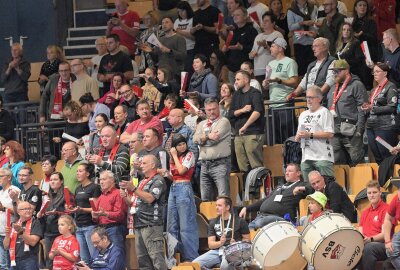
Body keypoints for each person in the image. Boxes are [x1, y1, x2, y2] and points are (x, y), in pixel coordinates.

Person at [120, 154, 168, 269]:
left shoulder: (158, 180)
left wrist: (134, 189)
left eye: (144, 163)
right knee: (143, 261)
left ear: (153, 165)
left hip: (151, 224)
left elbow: (150, 198)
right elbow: (134, 203)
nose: (141, 165)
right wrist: (125, 197)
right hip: (139, 224)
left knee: (157, 260)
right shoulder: (142, 181)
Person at [163, 135, 199, 261]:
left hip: (185, 188)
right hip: (173, 188)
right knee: (171, 225)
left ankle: (191, 258)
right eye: (179, 145)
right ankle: (173, 257)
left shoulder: (189, 155)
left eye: (183, 143)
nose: (182, 146)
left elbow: (182, 171)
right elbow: (174, 176)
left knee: (186, 225)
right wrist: (166, 174)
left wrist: (173, 156)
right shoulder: (175, 158)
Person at [327, 59, 367, 166]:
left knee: (356, 160)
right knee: (337, 163)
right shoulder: (332, 88)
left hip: (352, 131)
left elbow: (362, 108)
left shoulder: (356, 85)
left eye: (338, 71)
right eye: (334, 71)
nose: (335, 73)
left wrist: (360, 129)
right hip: (335, 131)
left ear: (346, 71)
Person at [239, 163, 305, 229]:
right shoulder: (279, 187)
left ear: (298, 173)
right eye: (286, 171)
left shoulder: (301, 185)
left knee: (260, 223)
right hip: (261, 216)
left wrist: (302, 188)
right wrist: (247, 208)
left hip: (280, 218)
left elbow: (311, 187)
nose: (287, 173)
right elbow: (264, 200)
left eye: (290, 171)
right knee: (247, 230)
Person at [193, 195, 250, 269]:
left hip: (233, 252)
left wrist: (236, 245)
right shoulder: (213, 222)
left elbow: (247, 240)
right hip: (217, 251)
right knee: (194, 265)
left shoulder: (239, 221)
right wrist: (220, 243)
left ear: (227, 207)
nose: (216, 207)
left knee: (225, 267)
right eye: (216, 205)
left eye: (219, 205)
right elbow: (210, 244)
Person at [194, 98, 231, 201]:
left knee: (223, 197)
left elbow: (213, 141)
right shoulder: (201, 124)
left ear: (218, 108)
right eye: (209, 110)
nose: (212, 112)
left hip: (220, 164)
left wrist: (203, 139)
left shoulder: (224, 122)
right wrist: (208, 136)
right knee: (205, 199)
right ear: (205, 110)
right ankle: (207, 218)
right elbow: (195, 139)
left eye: (214, 109)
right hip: (204, 165)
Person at [262, 37, 299, 144]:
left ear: (280, 48)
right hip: (272, 105)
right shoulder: (270, 64)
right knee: (273, 139)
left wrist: (279, 81)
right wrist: (265, 84)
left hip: (285, 104)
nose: (271, 48)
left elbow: (295, 81)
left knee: (288, 136)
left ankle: (292, 159)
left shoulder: (290, 62)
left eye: (273, 46)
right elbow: (267, 82)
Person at [295, 86, 335, 182]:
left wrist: (310, 135)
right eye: (307, 97)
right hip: (306, 157)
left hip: (322, 156)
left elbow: (330, 134)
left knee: (328, 185)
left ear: (319, 99)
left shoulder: (324, 112)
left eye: (311, 97)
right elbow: (298, 134)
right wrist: (298, 137)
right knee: (309, 187)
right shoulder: (303, 114)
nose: (308, 100)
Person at [228, 70, 264, 173]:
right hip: (239, 134)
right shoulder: (236, 94)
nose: (235, 82)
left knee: (255, 164)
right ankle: (247, 188)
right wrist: (242, 110)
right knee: (242, 166)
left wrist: (245, 126)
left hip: (253, 132)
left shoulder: (255, 93)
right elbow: (230, 113)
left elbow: (257, 111)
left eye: (238, 79)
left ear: (246, 79)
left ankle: (259, 188)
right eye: (235, 79)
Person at [362, 62, 398, 164]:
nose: (375, 74)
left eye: (377, 71)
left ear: (385, 73)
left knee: (387, 156)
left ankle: (391, 179)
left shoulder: (391, 87)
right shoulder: (374, 89)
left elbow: (392, 107)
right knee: (377, 157)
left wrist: (373, 108)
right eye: (374, 72)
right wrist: (366, 106)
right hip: (371, 127)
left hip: (384, 127)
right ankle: (382, 179)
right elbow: (371, 104)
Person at [68, 163, 101, 264]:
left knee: (94, 256)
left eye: (80, 171)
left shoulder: (94, 187)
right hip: (79, 226)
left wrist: (81, 209)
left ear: (87, 173)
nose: (77, 173)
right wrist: (71, 208)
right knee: (84, 259)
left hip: (90, 225)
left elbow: (95, 209)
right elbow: (76, 205)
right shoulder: (77, 188)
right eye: (77, 171)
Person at [38, 172, 68, 269]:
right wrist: (40, 214)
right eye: (51, 180)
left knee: (61, 259)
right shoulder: (48, 196)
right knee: (49, 259)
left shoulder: (66, 194)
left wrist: (57, 212)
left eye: (55, 179)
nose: (52, 182)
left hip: (60, 232)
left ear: (61, 181)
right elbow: (44, 212)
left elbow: (70, 213)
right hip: (48, 232)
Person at [92, 170, 128, 251]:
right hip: (102, 230)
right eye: (100, 180)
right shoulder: (101, 196)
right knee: (104, 257)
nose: (101, 182)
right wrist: (94, 216)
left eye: (104, 179)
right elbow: (97, 218)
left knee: (116, 254)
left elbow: (120, 215)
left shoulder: (118, 193)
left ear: (112, 180)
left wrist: (105, 214)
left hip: (115, 229)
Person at [222, 7, 258, 84]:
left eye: (238, 15)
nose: (235, 17)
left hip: (244, 70)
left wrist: (242, 47)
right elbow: (229, 47)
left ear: (245, 16)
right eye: (234, 15)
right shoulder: (233, 31)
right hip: (232, 69)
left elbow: (255, 49)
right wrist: (226, 49)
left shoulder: (251, 30)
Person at [357, 180, 388, 270]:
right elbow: (360, 231)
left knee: (369, 247)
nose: (372, 195)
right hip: (367, 243)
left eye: (374, 192)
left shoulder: (386, 209)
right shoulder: (365, 212)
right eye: (369, 193)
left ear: (380, 193)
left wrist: (370, 239)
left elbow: (384, 235)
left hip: (382, 245)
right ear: (367, 195)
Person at [3, 201, 43, 270]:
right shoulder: (14, 224)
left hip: (29, 260)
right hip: (13, 260)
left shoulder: (35, 222)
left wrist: (21, 233)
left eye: (29, 208)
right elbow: (6, 246)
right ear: (18, 212)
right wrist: (7, 235)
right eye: (25, 209)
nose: (28, 211)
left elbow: (33, 242)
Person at [335, 22, 372, 89]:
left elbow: (359, 60)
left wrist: (346, 62)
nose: (346, 31)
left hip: (353, 73)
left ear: (351, 32)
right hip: (341, 74)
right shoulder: (338, 44)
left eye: (348, 30)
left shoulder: (355, 43)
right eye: (344, 29)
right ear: (341, 31)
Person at [249, 11, 283, 82]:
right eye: (263, 21)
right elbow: (251, 54)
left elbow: (279, 53)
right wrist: (251, 54)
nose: (264, 23)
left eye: (267, 21)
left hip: (271, 69)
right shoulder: (258, 36)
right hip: (258, 71)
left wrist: (265, 46)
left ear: (273, 23)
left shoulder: (277, 35)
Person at [287, 0, 318, 76]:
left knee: (313, 68)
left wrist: (315, 30)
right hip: (299, 42)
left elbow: (316, 22)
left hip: (312, 41)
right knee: (301, 69)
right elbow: (290, 27)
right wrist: (302, 23)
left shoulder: (313, 8)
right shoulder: (291, 10)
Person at [0, 168, 19, 269]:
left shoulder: (14, 190)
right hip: (0, 232)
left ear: (9, 177)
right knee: (2, 266)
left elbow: (20, 211)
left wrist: (3, 207)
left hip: (10, 233)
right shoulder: (0, 192)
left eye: (1, 176)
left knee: (9, 265)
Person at [175, 1, 196, 72]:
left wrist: (180, 32)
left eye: (182, 10)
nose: (180, 13)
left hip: (191, 49)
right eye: (178, 11)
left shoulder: (193, 20)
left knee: (189, 70)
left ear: (187, 9)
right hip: (180, 50)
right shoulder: (177, 21)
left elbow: (194, 38)